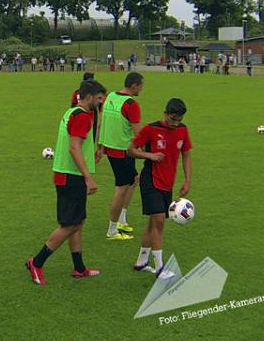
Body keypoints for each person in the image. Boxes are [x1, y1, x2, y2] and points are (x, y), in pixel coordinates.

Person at [26, 79, 107, 285]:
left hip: (66, 174)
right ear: (88, 97)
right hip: (71, 176)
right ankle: (36, 262)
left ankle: (79, 268)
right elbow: (74, 147)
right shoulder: (81, 117)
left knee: (77, 222)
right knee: (69, 225)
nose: (100, 104)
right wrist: (88, 176)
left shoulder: (71, 112)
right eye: (98, 99)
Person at [128, 98, 192, 279]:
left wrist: (187, 181)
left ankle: (141, 262)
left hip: (167, 183)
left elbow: (186, 156)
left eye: (178, 120)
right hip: (151, 180)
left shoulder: (183, 130)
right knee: (159, 222)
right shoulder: (151, 129)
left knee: (152, 223)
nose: (175, 123)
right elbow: (131, 149)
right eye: (172, 119)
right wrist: (149, 155)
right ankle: (160, 268)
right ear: (165, 114)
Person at [98, 72, 145, 241]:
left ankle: (121, 219)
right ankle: (112, 229)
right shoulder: (131, 104)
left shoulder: (111, 96)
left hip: (111, 148)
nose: (142, 89)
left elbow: (101, 122)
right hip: (123, 150)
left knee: (134, 179)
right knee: (121, 187)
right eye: (141, 86)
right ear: (134, 86)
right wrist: (148, 151)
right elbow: (138, 133)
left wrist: (99, 145)